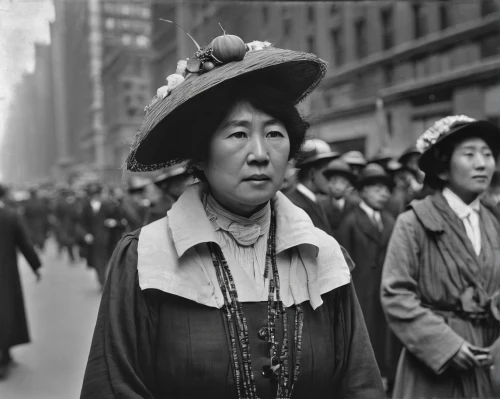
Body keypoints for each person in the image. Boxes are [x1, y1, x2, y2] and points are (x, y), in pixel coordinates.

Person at [81, 40, 384, 398]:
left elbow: (360, 384)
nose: (260, 154)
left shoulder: (323, 254)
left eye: (274, 133)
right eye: (238, 134)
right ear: (201, 154)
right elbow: (115, 387)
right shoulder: (144, 257)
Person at [381, 116, 500, 398]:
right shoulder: (414, 221)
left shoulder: (494, 223)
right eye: (469, 155)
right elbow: (396, 295)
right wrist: (447, 347)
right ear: (444, 168)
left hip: (488, 357)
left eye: (487, 155)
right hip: (434, 365)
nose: (482, 164)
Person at [337, 163, 400, 390]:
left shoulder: (391, 221)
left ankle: (386, 376)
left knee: (385, 338)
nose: (383, 194)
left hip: (384, 291)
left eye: (386, 189)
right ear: (362, 191)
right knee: (366, 337)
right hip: (361, 293)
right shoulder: (351, 222)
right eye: (376, 188)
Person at [0, 184, 42, 379]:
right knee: (6, 312)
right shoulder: (10, 215)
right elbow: (24, 242)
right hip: (5, 274)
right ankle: (4, 357)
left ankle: (5, 356)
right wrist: (35, 266)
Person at [285, 138, 338, 235]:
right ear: (312, 173)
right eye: (327, 173)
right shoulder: (293, 205)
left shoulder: (314, 201)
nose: (331, 179)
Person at [80, 183, 124, 288]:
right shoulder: (86, 208)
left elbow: (120, 220)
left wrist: (113, 222)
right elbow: (82, 224)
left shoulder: (109, 205)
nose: (95, 196)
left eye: (97, 193)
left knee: (108, 260)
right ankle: (102, 281)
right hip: (94, 240)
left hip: (109, 238)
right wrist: (86, 235)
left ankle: (106, 280)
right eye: (92, 194)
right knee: (97, 262)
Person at [319, 158, 359, 236]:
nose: (338, 187)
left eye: (343, 182)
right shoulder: (320, 204)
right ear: (328, 182)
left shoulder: (356, 204)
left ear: (348, 184)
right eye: (333, 182)